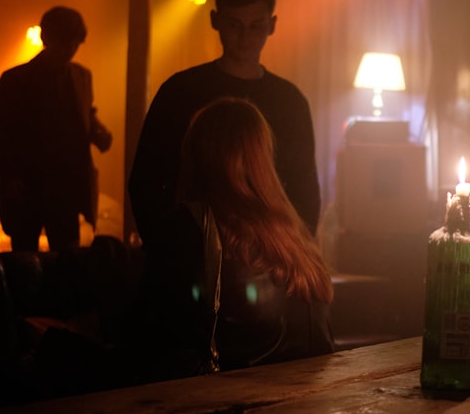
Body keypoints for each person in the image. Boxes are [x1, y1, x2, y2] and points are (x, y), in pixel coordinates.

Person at [127, 97, 335, 379]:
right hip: (305, 403)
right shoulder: (294, 236)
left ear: (196, 155)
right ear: (262, 157)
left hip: (231, 410)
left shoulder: (187, 228)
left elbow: (147, 341)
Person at [128, 0, 321, 250]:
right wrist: (168, 249)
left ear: (272, 25)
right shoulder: (180, 91)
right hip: (193, 249)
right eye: (235, 25)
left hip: (268, 253)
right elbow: (147, 179)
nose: (245, 37)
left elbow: (304, 189)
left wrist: (295, 252)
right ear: (215, 21)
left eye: (256, 26)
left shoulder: (290, 101)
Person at [0, 6, 112, 252]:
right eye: (66, 44)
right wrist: (9, 176)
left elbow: (85, 113)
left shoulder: (80, 76)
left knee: (58, 262)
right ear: (47, 39)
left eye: (74, 44)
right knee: (32, 262)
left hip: (64, 189)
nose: (70, 51)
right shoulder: (15, 80)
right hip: (29, 188)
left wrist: (97, 131)